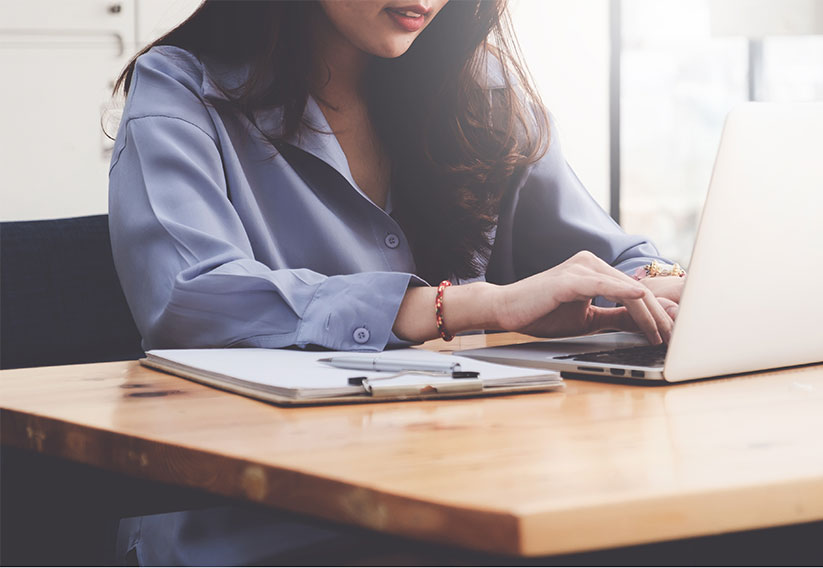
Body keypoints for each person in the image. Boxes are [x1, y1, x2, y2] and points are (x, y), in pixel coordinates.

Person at [108, 0, 683, 563]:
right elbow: (192, 297)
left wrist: (657, 286)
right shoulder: (181, 89)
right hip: (259, 526)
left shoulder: (480, 88)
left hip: (466, 500)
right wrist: (458, 306)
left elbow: (610, 258)